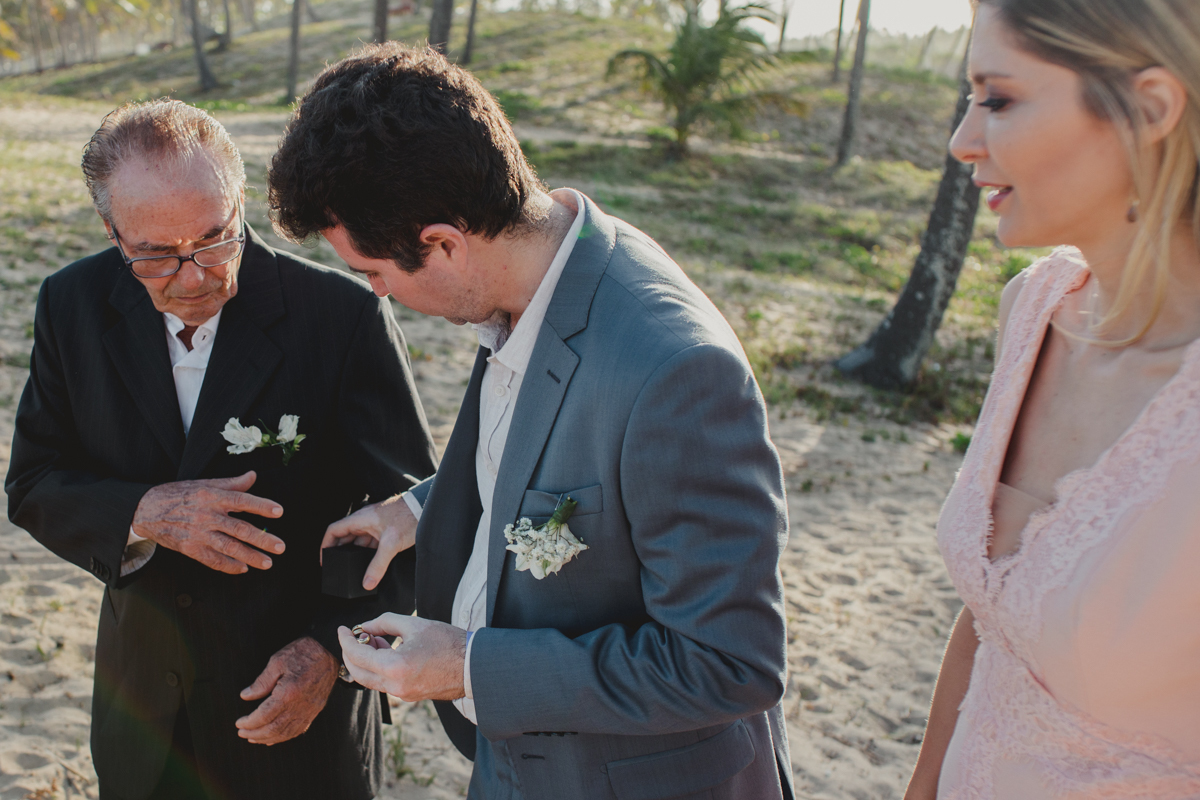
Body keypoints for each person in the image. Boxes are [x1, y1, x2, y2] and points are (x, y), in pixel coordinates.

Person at [267, 43, 794, 799]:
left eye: (373, 274)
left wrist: (465, 666)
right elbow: (553, 447)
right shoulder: (535, 272)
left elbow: (730, 664)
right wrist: (419, 508)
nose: (376, 297)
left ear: (442, 244)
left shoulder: (676, 374)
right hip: (514, 766)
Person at [6, 99, 438, 800]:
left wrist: (328, 650)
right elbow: (33, 483)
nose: (197, 275)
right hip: (143, 717)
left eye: (217, 239)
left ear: (240, 203)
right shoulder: (70, 305)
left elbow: (416, 510)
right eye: (157, 256)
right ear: (113, 233)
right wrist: (144, 511)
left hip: (296, 719)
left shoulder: (341, 316)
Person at [905, 1, 1200, 798]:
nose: (962, 139)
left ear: (1150, 109)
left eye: (997, 98)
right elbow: (993, 623)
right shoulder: (1035, 308)